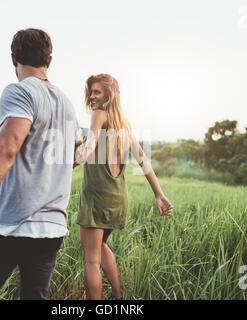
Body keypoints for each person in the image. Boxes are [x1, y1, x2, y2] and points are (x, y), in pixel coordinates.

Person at [0, 28, 82, 300]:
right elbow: (73, 158)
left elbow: (7, 148)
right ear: (49, 60)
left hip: (11, 224)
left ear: (13, 59)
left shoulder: (19, 92)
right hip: (52, 227)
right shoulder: (68, 105)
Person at [74, 74, 174, 300]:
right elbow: (143, 160)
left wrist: (71, 161)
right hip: (117, 199)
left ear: (109, 95)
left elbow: (89, 145)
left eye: (97, 92)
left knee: (90, 260)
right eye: (91, 92)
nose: (92, 96)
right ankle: (117, 296)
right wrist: (159, 194)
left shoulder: (99, 115)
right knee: (99, 246)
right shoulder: (124, 124)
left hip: (96, 199)